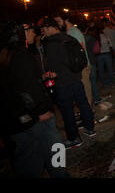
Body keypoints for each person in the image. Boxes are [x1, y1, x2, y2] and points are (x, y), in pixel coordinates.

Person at [0, 20, 69, 177]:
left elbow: (15, 84)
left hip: (16, 119)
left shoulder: (5, 55)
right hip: (34, 116)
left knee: (28, 155)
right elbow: (26, 90)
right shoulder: (21, 56)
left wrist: (39, 77)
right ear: (18, 34)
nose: (34, 33)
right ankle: (61, 174)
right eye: (30, 30)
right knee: (56, 146)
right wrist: (41, 110)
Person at [42, 18, 96, 148]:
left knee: (67, 111)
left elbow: (52, 65)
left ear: (51, 28)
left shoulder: (52, 43)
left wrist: (52, 73)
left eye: (44, 29)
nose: (44, 32)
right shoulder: (70, 38)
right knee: (83, 104)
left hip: (62, 81)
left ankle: (73, 137)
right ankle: (90, 128)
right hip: (76, 78)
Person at [54, 14, 93, 107]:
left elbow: (81, 51)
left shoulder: (73, 32)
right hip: (79, 67)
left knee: (85, 93)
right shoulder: (70, 32)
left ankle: (89, 113)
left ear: (66, 20)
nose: (58, 24)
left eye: (59, 21)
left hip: (82, 67)